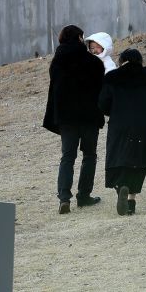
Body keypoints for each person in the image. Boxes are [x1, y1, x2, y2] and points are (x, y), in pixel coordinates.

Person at [43, 24, 105, 214]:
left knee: (67, 157)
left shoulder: (57, 62)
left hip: (67, 119)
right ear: (79, 38)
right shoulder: (94, 63)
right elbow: (100, 91)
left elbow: (54, 91)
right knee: (89, 156)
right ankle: (84, 196)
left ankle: (64, 198)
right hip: (89, 117)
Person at [98, 48, 146, 216]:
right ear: (139, 60)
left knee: (119, 157)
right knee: (138, 160)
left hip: (120, 124)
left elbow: (103, 104)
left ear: (122, 61)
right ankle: (131, 201)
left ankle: (121, 186)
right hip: (144, 125)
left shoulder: (112, 77)